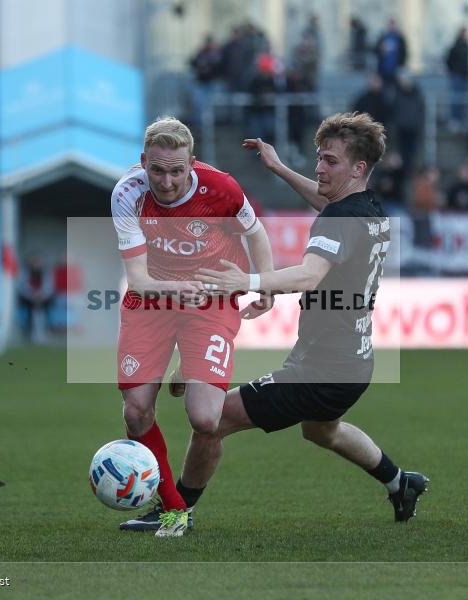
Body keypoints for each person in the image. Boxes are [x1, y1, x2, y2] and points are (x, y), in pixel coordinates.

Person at [150, 112, 429, 529]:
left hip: (320, 371)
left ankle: (177, 512)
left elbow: (307, 275)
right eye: (319, 157)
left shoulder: (341, 219)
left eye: (330, 161)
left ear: (358, 168)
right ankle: (399, 482)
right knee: (321, 432)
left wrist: (246, 279)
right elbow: (326, 202)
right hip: (354, 362)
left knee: (213, 420)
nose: (319, 167)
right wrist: (280, 169)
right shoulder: (368, 209)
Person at [110, 116, 274, 537]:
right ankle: (174, 510)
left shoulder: (220, 188)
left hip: (212, 295)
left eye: (177, 170)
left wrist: (266, 284)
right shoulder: (127, 194)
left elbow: (256, 234)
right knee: (136, 411)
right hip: (154, 298)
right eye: (157, 169)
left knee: (205, 419)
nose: (166, 181)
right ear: (143, 161)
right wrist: (178, 289)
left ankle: (189, 361)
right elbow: (140, 281)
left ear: (192, 164)